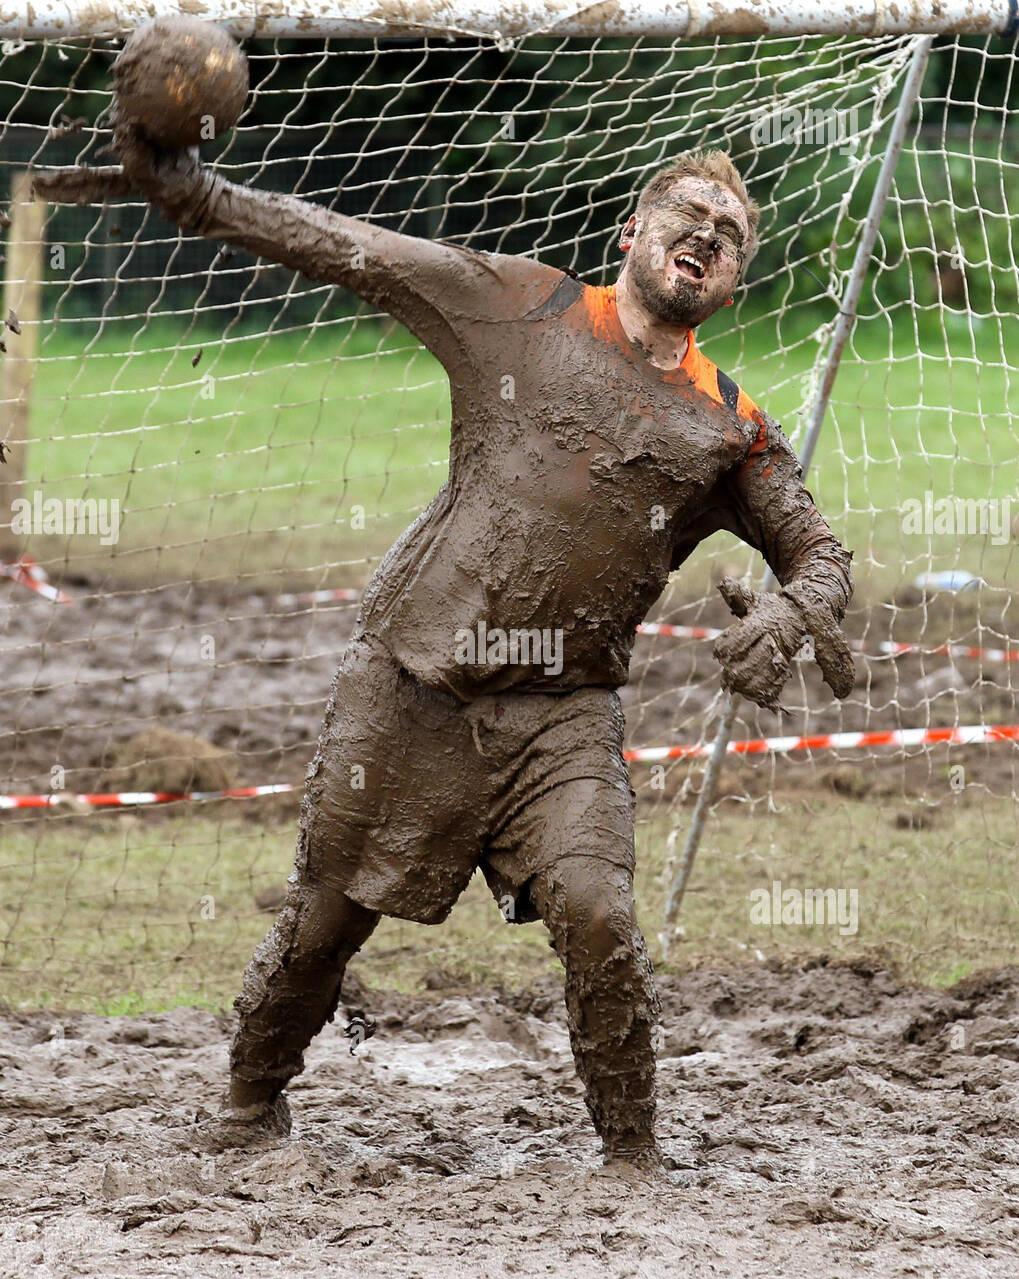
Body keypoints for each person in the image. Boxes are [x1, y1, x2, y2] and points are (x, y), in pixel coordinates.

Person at [36, 141, 854, 1169]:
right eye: (686, 215)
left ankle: (633, 1161)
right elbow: (351, 249)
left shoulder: (727, 427)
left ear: (731, 284)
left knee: (598, 914)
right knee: (323, 920)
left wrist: (787, 615)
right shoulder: (519, 307)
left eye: (728, 236)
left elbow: (821, 557)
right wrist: (195, 194)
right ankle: (249, 1105)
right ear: (630, 234)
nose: (705, 235)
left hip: (561, 717)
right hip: (409, 683)